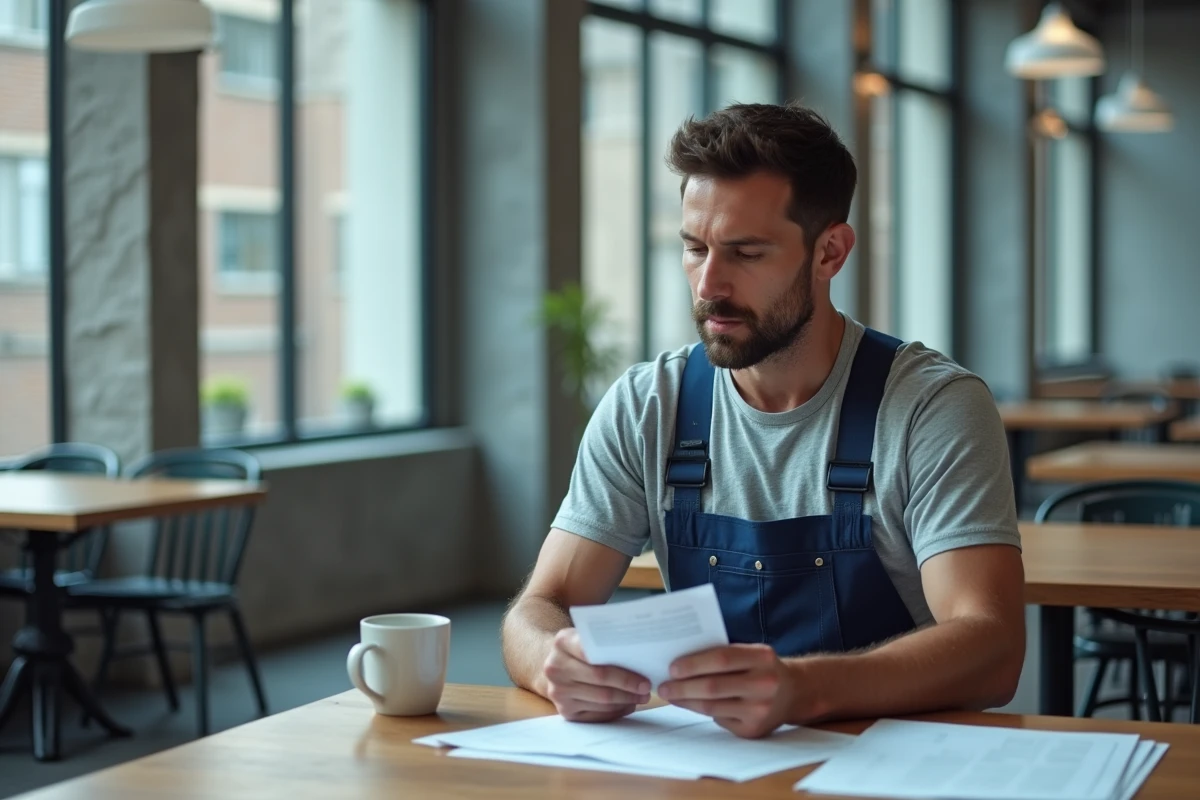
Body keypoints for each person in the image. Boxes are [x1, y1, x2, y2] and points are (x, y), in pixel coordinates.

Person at [501, 103, 1025, 739]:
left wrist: (803, 689)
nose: (708, 285)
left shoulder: (931, 406)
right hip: (703, 764)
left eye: (745, 253)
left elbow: (992, 648)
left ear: (830, 252)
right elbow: (540, 606)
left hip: (888, 761)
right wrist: (554, 660)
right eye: (694, 249)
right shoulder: (648, 404)